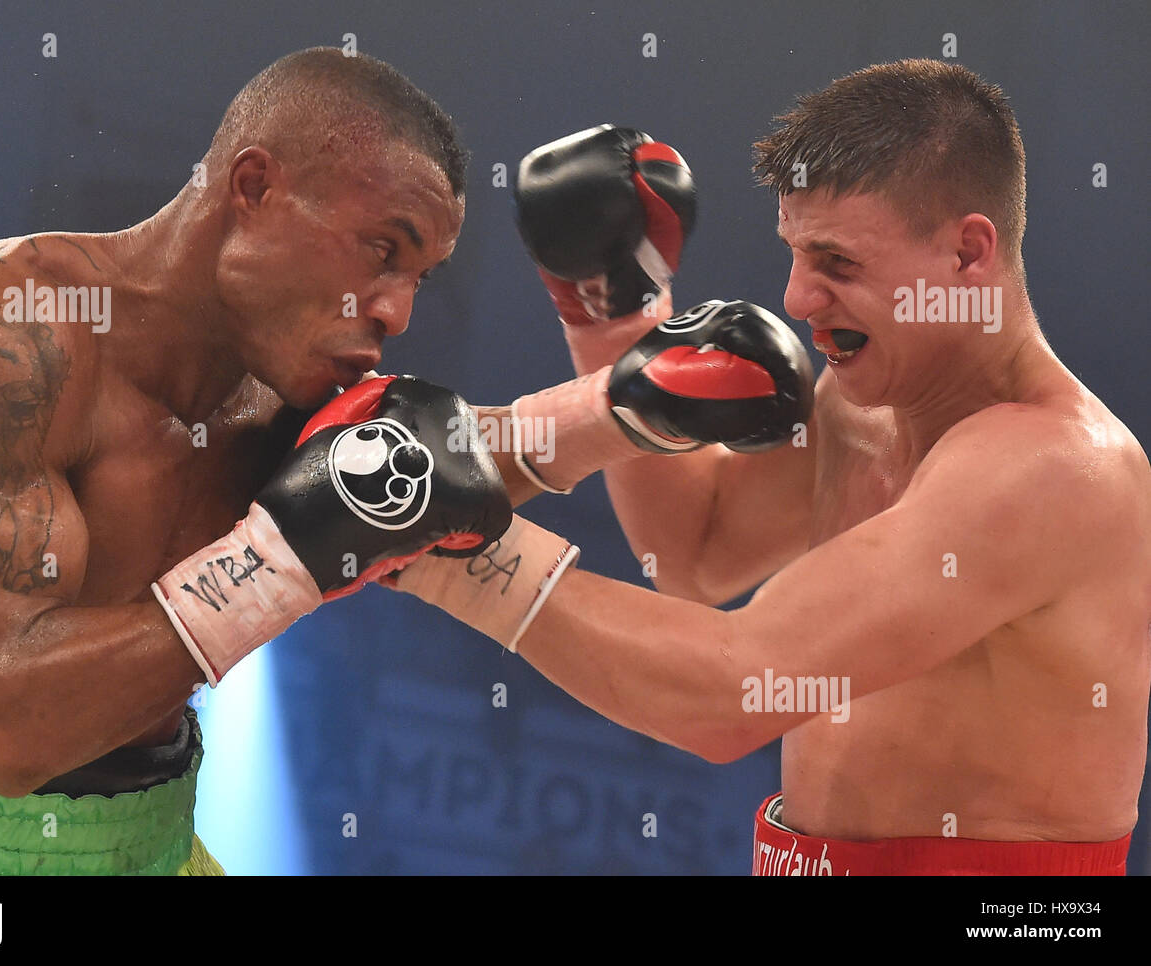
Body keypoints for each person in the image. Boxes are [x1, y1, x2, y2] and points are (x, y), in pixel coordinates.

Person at [393, 59, 1151, 875]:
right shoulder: (861, 403)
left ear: (968, 256)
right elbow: (696, 551)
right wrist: (612, 315)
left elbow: (739, 692)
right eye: (794, 251)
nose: (795, 298)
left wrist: (443, 550)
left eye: (838, 263)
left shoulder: (1055, 470)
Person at [0, 47, 512, 875]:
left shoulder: (280, 392)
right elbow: (8, 731)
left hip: (156, 842)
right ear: (254, 187)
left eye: (421, 276)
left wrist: (628, 397)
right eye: (384, 250)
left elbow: (455, 466)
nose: (398, 311)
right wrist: (279, 562)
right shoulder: (5, 336)